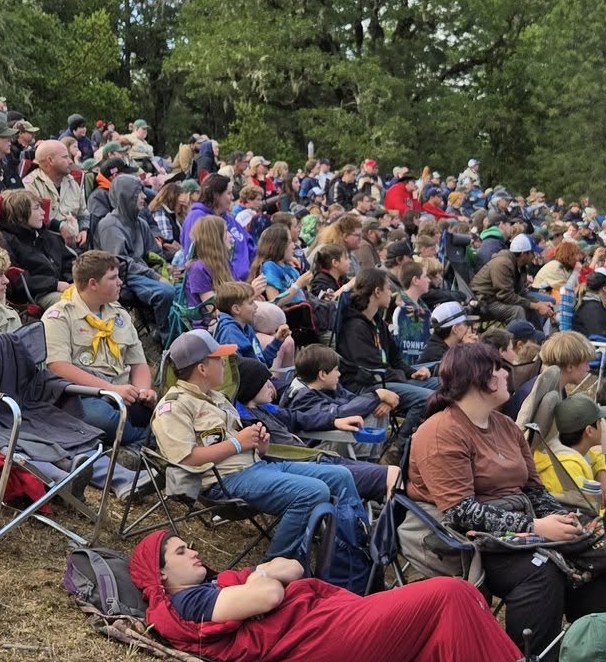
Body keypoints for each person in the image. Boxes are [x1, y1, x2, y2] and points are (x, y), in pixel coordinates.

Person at [131, 531, 540, 662]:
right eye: (181, 552)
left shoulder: (215, 586)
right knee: (450, 593)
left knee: (453, 617)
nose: (195, 551)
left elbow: (293, 566)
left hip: (335, 624)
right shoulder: (189, 604)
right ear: (161, 575)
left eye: (190, 545)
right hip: (333, 641)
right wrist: (262, 576)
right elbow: (269, 595)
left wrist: (260, 574)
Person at [404, 343, 606, 662]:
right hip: (468, 540)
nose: (507, 374)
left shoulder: (505, 426)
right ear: (479, 379)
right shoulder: (440, 432)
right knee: (542, 570)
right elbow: (460, 511)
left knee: (602, 553)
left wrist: (563, 519)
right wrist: (535, 527)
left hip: (518, 523)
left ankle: (595, 660)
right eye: (498, 368)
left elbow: (534, 489)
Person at [153, 330, 371, 589]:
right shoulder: (173, 406)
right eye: (218, 359)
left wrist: (259, 445)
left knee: (341, 476)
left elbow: (238, 444)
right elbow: (186, 458)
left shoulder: (217, 398)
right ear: (202, 368)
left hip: (257, 466)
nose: (224, 364)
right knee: (313, 492)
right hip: (224, 481)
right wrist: (238, 443)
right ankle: (269, 573)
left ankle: (350, 566)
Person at [42, 250, 155, 445]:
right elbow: (58, 367)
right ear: (93, 283)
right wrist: (110, 390)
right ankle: (145, 441)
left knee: (158, 410)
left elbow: (138, 362)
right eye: (112, 278)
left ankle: (140, 438)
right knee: (104, 419)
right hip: (82, 396)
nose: (120, 282)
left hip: (123, 392)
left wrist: (143, 391)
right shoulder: (59, 316)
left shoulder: (119, 314)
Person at [335, 270, 434, 428]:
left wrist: (411, 372)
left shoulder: (378, 323)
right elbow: (372, 369)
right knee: (428, 397)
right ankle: (402, 441)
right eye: (388, 288)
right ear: (377, 291)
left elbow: (395, 358)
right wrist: (400, 379)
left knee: (440, 384)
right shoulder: (354, 327)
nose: (391, 293)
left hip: (387, 379)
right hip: (366, 386)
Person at [92, 170, 178, 333]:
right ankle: (167, 338)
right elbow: (120, 263)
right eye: (139, 192)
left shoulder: (140, 223)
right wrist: (156, 277)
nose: (144, 196)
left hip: (143, 271)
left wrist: (167, 269)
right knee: (166, 292)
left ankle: (181, 330)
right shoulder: (110, 225)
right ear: (126, 196)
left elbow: (155, 255)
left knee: (180, 286)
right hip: (124, 276)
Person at [532, 393, 606, 510]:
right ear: (589, 431)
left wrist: (601, 471)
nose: (602, 427)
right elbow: (587, 511)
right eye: (599, 421)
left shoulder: (579, 450)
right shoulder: (568, 467)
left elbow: (594, 455)